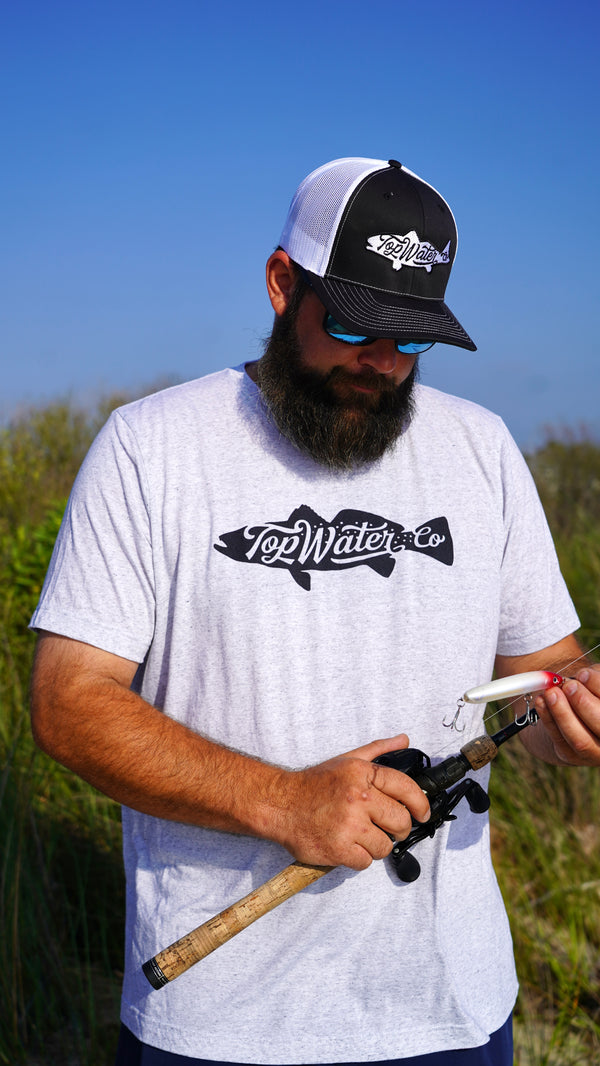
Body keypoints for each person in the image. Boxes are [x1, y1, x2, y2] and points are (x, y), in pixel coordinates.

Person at [30, 157, 600, 1066]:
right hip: (222, 1024)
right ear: (280, 283)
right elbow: (68, 702)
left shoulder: (482, 450)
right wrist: (282, 802)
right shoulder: (151, 448)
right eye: (354, 325)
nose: (379, 361)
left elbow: (540, 686)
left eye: (410, 339)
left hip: (454, 1007)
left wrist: (572, 722)